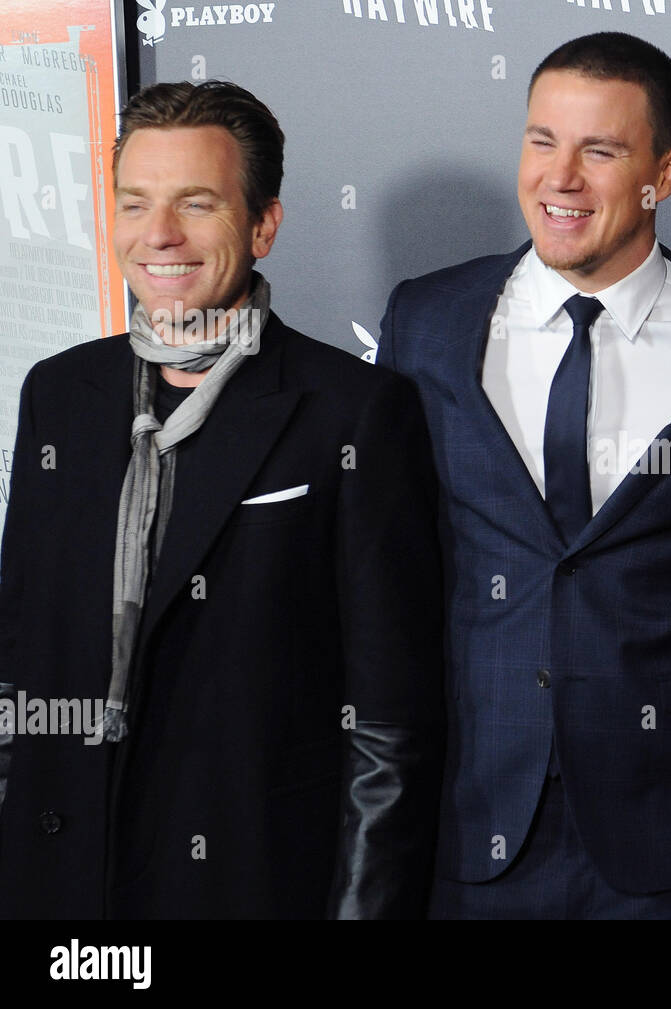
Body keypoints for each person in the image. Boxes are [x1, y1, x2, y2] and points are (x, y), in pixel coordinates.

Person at [379, 31, 671, 919]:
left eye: (601, 150)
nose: (560, 178)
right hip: (472, 826)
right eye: (542, 141)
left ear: (668, 171)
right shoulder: (427, 319)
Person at [0, 81, 443, 919]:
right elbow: (20, 649)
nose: (158, 236)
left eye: (196, 204)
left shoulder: (351, 410)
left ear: (264, 224)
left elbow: (390, 728)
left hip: (249, 880)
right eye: (136, 203)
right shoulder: (57, 393)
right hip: (61, 882)